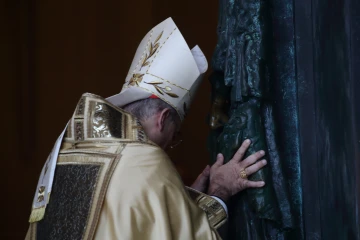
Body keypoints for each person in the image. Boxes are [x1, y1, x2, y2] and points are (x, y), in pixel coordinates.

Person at [25, 17, 267, 240]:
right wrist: (219, 192)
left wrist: (177, 200)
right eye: (175, 135)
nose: (171, 145)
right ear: (162, 119)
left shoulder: (67, 150)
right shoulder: (146, 160)